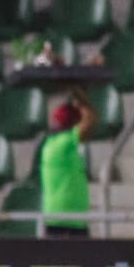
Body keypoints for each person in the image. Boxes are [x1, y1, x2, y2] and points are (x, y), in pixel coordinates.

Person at [40, 85, 98, 238]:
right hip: (68, 221)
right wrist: (80, 97)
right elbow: (91, 119)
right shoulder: (65, 142)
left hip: (60, 218)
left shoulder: (50, 143)